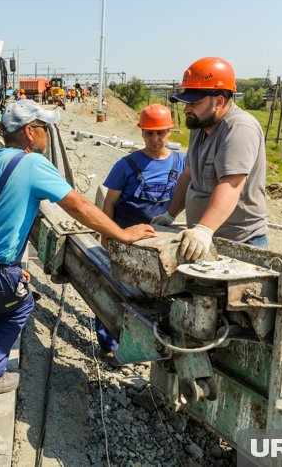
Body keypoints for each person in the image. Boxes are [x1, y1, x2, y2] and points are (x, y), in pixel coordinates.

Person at [0, 99, 156, 452]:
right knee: (20, 306)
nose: (46, 134)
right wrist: (123, 234)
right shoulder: (34, 163)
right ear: (29, 132)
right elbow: (79, 206)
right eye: (43, 128)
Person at [96, 104, 186, 367]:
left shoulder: (182, 164)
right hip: (125, 237)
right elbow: (109, 204)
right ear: (142, 133)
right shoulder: (126, 165)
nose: (155, 140)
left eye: (160, 133)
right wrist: (107, 234)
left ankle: (148, 341)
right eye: (149, 134)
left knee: (154, 292)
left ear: (170, 131)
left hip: (157, 241)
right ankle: (110, 345)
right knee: (117, 291)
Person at [152, 57, 268, 259]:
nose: (186, 108)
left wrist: (204, 229)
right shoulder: (200, 126)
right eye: (185, 102)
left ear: (219, 101)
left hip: (239, 245)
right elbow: (189, 175)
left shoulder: (239, 128)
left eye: (194, 102)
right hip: (204, 241)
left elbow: (231, 185)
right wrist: (171, 214)